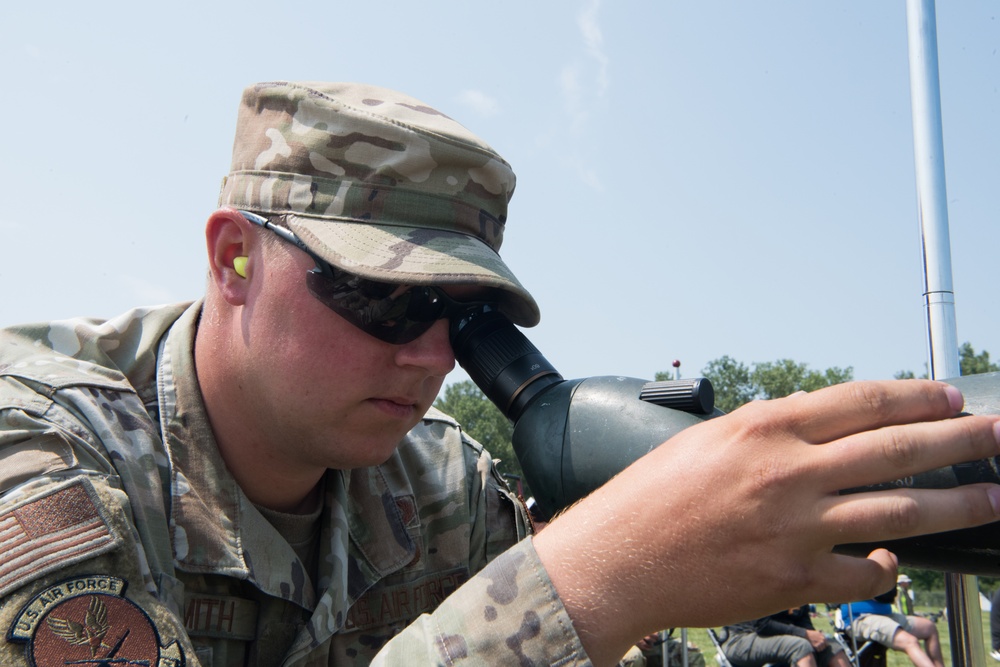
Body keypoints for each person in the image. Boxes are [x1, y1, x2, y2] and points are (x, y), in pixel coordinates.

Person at [1, 80, 1000, 666]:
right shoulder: (40, 447)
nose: (431, 354)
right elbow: (577, 597)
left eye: (463, 317)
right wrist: (591, 580)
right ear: (234, 260)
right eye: (385, 298)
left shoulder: (439, 485)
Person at [719, 605, 850, 667]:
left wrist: (814, 636)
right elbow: (762, 625)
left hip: (779, 636)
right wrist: (804, 634)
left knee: (831, 646)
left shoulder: (799, 587)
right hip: (741, 639)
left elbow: (803, 623)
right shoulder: (766, 582)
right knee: (800, 646)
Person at [840, 589, 945, 667]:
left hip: (886, 614)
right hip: (859, 618)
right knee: (910, 641)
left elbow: (888, 595)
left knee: (929, 627)